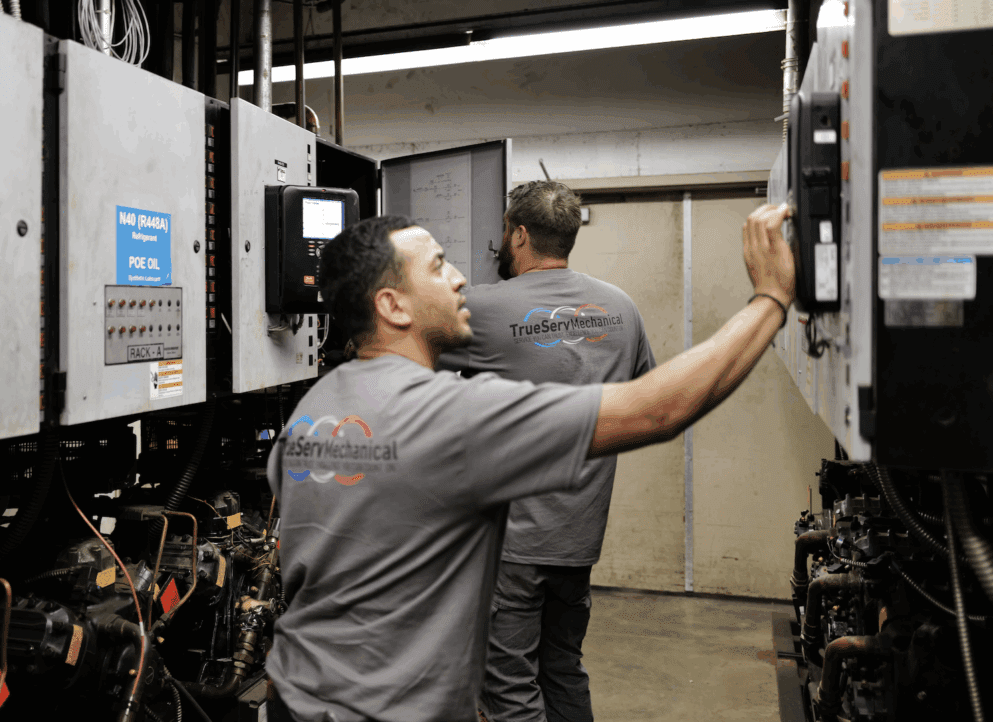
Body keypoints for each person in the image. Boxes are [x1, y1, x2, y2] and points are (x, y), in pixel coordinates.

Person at [265, 205, 794, 722]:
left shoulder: (311, 414)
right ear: (393, 307)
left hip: (298, 693)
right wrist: (770, 298)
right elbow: (658, 409)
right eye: (438, 267)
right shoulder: (451, 415)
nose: (458, 279)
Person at [438, 180, 654, 722]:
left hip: (512, 542)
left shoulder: (482, 307)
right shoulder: (621, 308)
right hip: (580, 538)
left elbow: (400, 361)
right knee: (562, 667)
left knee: (508, 686)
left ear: (519, 234)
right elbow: (642, 396)